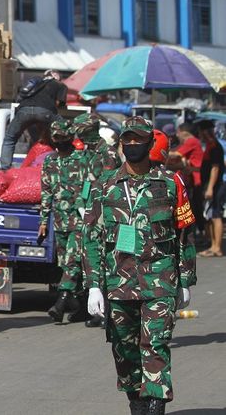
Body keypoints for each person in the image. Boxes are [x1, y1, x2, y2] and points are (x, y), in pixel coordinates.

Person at [84, 116, 197, 415]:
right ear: (121, 144)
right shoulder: (105, 185)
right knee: (125, 352)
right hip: (118, 284)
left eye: (139, 140)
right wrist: (94, 284)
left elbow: (184, 234)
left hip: (159, 281)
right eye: (128, 140)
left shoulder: (171, 183)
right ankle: (137, 403)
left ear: (150, 144)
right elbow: (92, 239)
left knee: (155, 347)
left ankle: (156, 406)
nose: (133, 145)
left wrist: (186, 279)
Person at [73, 112, 123, 327]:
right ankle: (96, 309)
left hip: (104, 213)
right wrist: (81, 204)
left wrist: (95, 208)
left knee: (107, 260)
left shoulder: (108, 153)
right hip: (89, 212)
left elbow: (108, 184)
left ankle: (110, 310)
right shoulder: (89, 153)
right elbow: (86, 182)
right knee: (90, 258)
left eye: (82, 132)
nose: (80, 136)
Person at [38, 119, 83, 323]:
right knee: (66, 263)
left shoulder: (81, 159)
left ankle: (62, 300)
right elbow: (46, 192)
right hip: (59, 220)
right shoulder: (50, 161)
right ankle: (79, 304)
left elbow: (91, 186)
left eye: (63, 137)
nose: (59, 141)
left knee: (73, 260)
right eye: (56, 137)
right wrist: (43, 221)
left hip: (80, 220)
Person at [0, 71, 67, 170]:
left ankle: (4, 168)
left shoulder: (35, 82)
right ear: (57, 77)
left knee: (10, 139)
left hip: (24, 110)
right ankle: (67, 163)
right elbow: (61, 104)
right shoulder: (59, 85)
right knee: (66, 132)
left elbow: (21, 95)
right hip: (45, 111)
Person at [170, 123, 205, 232]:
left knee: (196, 208)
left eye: (177, 133)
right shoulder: (194, 142)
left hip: (196, 179)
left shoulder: (191, 141)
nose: (177, 136)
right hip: (194, 178)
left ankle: (200, 232)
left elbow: (176, 154)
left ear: (182, 132)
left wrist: (161, 152)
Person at [198, 119, 224, 257]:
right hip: (210, 185)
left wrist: (210, 188)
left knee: (215, 215)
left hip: (216, 186)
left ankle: (217, 247)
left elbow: (215, 168)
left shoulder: (214, 146)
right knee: (210, 215)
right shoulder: (210, 146)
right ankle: (213, 245)